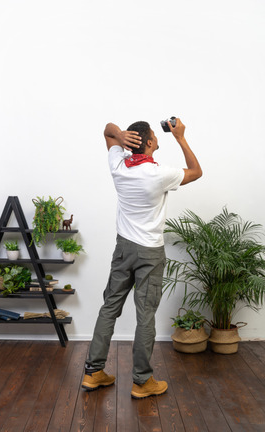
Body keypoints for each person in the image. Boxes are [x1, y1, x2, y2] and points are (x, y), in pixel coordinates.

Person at [82, 118, 202, 398]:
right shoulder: (159, 173)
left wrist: (118, 135)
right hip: (149, 251)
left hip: (124, 248)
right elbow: (196, 171)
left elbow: (107, 129)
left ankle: (93, 372)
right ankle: (142, 381)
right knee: (145, 315)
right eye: (154, 138)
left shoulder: (119, 165)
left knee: (109, 307)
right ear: (149, 142)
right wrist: (180, 137)